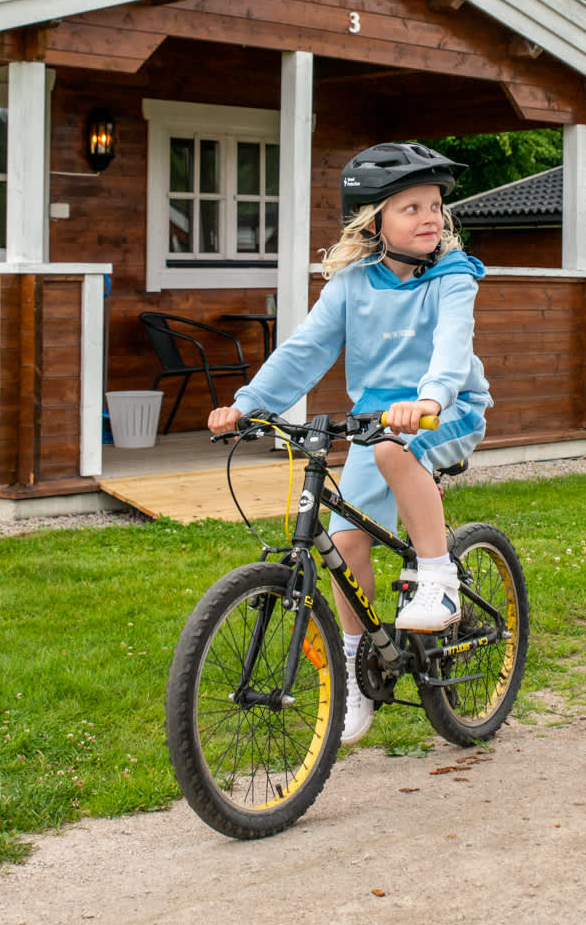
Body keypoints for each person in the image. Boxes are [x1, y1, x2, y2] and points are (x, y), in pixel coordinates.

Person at [207, 141, 492, 745]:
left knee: (394, 449)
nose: (430, 217)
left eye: (435, 204)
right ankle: (360, 672)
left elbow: (450, 346)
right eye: (411, 206)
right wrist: (248, 405)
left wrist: (433, 399)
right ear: (374, 223)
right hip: (375, 424)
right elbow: (305, 351)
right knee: (343, 544)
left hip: (449, 410)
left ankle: (437, 578)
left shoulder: (454, 278)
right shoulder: (350, 286)